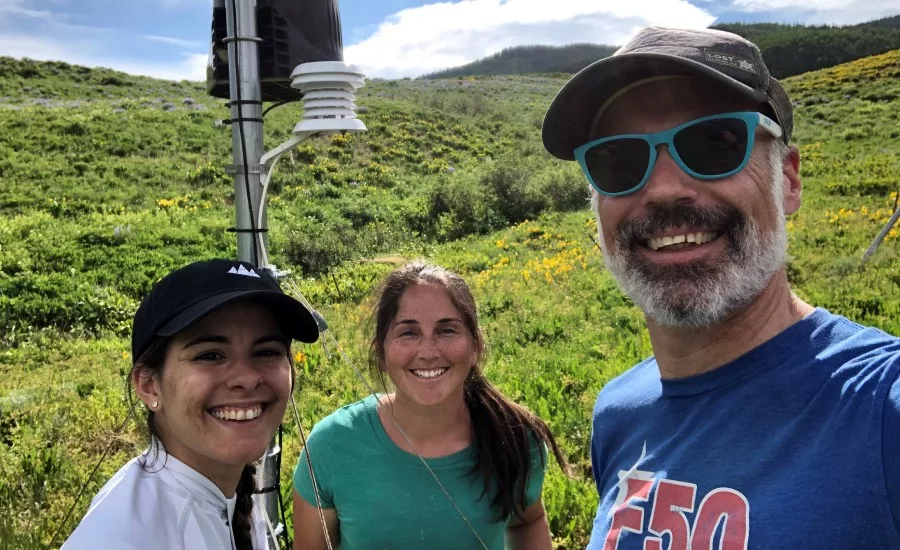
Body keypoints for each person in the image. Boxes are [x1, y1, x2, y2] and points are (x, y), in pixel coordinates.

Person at [541, 26, 900, 549]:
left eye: (715, 143)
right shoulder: (617, 414)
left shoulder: (879, 408)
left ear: (789, 180)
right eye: (618, 160)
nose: (663, 189)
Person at [292, 261, 571, 549]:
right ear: (381, 354)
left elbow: (528, 521)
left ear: (475, 345)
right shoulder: (330, 447)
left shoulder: (514, 439)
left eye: (447, 330)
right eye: (408, 333)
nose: (428, 352)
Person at [62, 259, 320, 550]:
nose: (247, 378)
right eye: (210, 355)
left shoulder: (225, 492)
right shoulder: (121, 538)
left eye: (266, 351)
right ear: (149, 386)